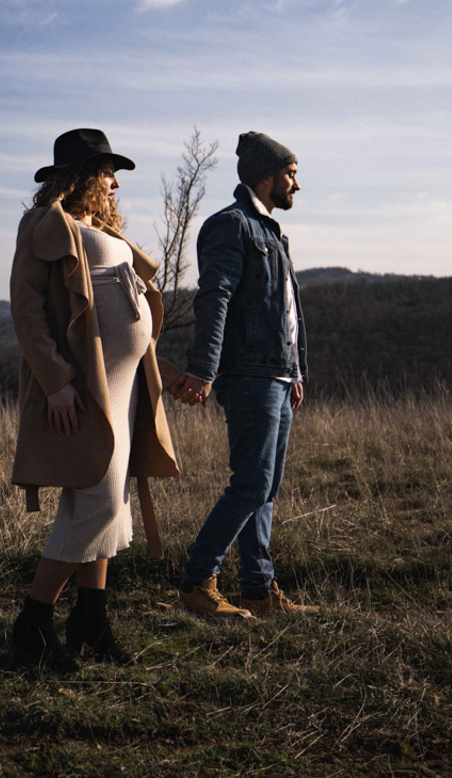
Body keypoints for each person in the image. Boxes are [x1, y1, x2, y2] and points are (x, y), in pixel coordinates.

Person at [9, 128, 179, 670]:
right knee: (96, 501)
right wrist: (56, 381)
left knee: (113, 503)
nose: (115, 184)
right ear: (82, 176)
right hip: (86, 388)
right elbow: (27, 310)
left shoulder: (99, 230)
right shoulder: (45, 225)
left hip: (125, 386)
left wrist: (167, 372)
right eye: (108, 173)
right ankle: (32, 627)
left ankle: (90, 619)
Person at [171, 131, 317, 620]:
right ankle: (197, 581)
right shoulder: (230, 226)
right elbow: (215, 299)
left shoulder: (272, 230)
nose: (297, 183)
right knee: (252, 483)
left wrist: (294, 370)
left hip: (276, 376)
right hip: (248, 376)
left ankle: (258, 589)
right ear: (266, 175)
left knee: (266, 488)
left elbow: (285, 311)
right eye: (291, 173)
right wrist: (204, 367)